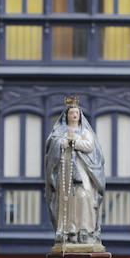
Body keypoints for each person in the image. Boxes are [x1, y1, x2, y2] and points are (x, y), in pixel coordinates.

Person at [44, 95, 106, 248]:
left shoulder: (85, 131)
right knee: (66, 198)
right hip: (65, 169)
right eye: (71, 112)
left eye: (76, 113)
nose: (74, 115)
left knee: (84, 196)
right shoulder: (59, 131)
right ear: (66, 115)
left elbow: (90, 146)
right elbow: (54, 146)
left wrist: (74, 142)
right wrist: (63, 143)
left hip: (81, 168)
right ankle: (68, 230)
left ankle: (85, 230)